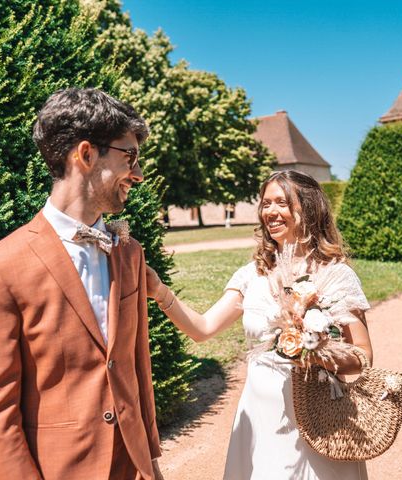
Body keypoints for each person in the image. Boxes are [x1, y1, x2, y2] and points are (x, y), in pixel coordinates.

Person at [0, 88, 163, 480]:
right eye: (130, 157)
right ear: (85, 155)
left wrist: (151, 460)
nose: (137, 174)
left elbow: (137, 366)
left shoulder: (130, 253)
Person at [147, 170, 373, 479]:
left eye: (282, 202)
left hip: (319, 419)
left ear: (308, 208)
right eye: (266, 203)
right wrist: (160, 292)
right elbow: (203, 329)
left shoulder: (334, 275)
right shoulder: (251, 275)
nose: (271, 211)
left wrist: (317, 351)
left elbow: (363, 356)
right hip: (260, 417)